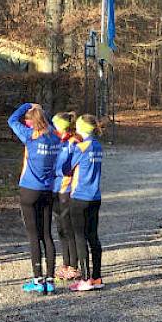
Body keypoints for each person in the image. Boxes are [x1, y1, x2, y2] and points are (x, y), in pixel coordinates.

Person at [8, 102, 62, 293]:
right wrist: (42, 111)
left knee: (33, 236)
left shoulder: (30, 136)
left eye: (28, 120)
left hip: (30, 189)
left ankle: (38, 280)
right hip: (48, 190)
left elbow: (11, 120)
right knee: (47, 234)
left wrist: (27, 105)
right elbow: (51, 124)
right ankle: (50, 279)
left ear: (32, 122)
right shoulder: (55, 137)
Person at [57, 114, 104, 292]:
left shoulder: (80, 147)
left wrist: (69, 148)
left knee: (80, 237)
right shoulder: (97, 145)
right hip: (95, 197)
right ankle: (97, 277)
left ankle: (85, 279)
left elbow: (64, 169)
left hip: (80, 197)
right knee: (93, 237)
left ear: (81, 128)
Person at [52, 112, 80, 280]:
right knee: (60, 229)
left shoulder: (74, 142)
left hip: (67, 189)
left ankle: (74, 266)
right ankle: (65, 263)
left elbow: (66, 167)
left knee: (69, 229)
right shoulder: (57, 141)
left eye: (55, 126)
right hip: (54, 188)